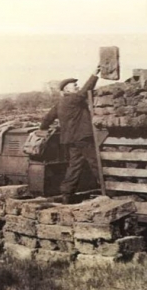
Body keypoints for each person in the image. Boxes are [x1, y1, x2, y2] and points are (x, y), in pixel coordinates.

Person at [40, 65, 101, 204]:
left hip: (71, 141)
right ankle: (109, 191)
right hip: (83, 138)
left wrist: (43, 128)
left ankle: (67, 193)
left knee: (74, 166)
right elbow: (86, 90)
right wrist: (95, 73)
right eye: (74, 85)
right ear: (66, 89)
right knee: (95, 163)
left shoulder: (59, 104)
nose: (77, 86)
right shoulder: (73, 99)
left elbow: (47, 118)